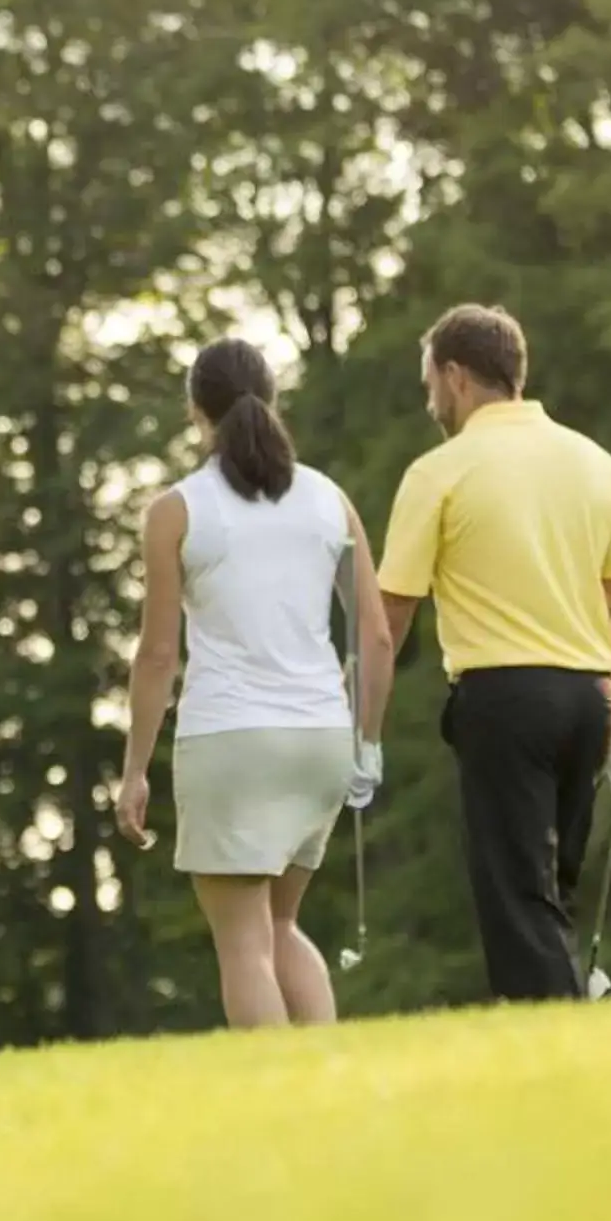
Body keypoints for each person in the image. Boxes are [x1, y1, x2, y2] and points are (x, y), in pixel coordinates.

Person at [376, 305, 611, 1001]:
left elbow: (391, 615)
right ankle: (567, 1003)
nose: (428, 401)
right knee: (547, 891)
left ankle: (563, 1026)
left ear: (455, 375)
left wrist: (361, 731)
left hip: (505, 700)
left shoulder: (438, 472)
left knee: (515, 893)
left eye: (430, 384)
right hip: (592, 702)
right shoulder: (599, 464)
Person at [119, 338, 393, 1029]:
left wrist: (135, 772)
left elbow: (157, 655)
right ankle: (326, 1082)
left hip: (231, 741)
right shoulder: (330, 499)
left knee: (243, 941)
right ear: (271, 398)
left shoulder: (173, 511)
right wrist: (368, 741)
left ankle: (275, 1095)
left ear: (195, 412)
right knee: (279, 924)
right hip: (321, 741)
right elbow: (376, 634)